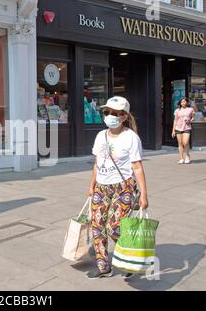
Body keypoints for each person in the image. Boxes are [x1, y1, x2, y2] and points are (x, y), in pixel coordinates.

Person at [86, 96, 149, 280]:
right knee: (97, 227)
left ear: (124, 116)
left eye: (115, 113)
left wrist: (144, 195)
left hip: (123, 187)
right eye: (107, 112)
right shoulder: (100, 136)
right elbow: (97, 164)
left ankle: (128, 259)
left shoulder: (131, 137)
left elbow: (137, 167)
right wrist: (91, 186)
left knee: (114, 227)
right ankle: (103, 266)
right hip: (101, 186)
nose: (110, 116)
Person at [172, 98, 195, 164]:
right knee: (180, 143)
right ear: (180, 103)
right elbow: (175, 120)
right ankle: (181, 158)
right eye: (181, 102)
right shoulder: (177, 110)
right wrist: (173, 130)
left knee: (185, 142)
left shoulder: (190, 109)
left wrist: (190, 120)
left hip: (186, 128)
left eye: (184, 101)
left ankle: (187, 156)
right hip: (178, 128)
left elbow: (193, 117)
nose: (183, 103)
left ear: (187, 102)